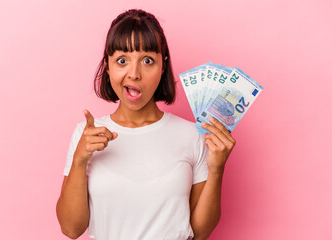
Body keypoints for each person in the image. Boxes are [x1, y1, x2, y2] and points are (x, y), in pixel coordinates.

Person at [56, 9, 236, 240]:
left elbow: (200, 233)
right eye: (122, 60)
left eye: (147, 60)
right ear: (108, 66)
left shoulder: (192, 134)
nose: (134, 73)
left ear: (163, 66)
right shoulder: (86, 135)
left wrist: (217, 169)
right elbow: (70, 229)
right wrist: (80, 160)